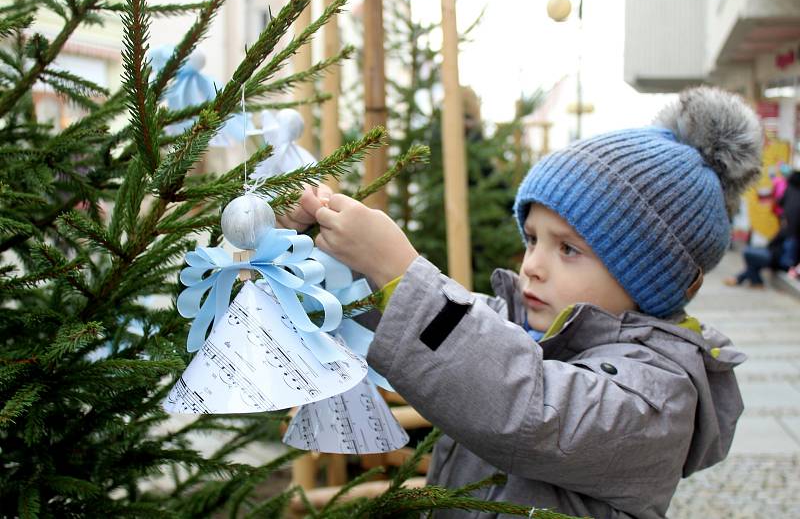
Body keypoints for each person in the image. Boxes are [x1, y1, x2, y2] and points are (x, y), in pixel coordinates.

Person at [282, 87, 761, 519]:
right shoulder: (520, 328)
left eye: (568, 249)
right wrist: (319, 247)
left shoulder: (658, 395)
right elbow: (426, 326)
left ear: (653, 277)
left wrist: (401, 271)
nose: (532, 264)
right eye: (533, 238)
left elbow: (525, 404)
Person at [724, 168, 800, 288]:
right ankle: (747, 280)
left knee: (750, 254)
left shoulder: (790, 224)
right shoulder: (790, 221)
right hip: (780, 255)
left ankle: (744, 280)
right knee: (752, 256)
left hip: (782, 259)